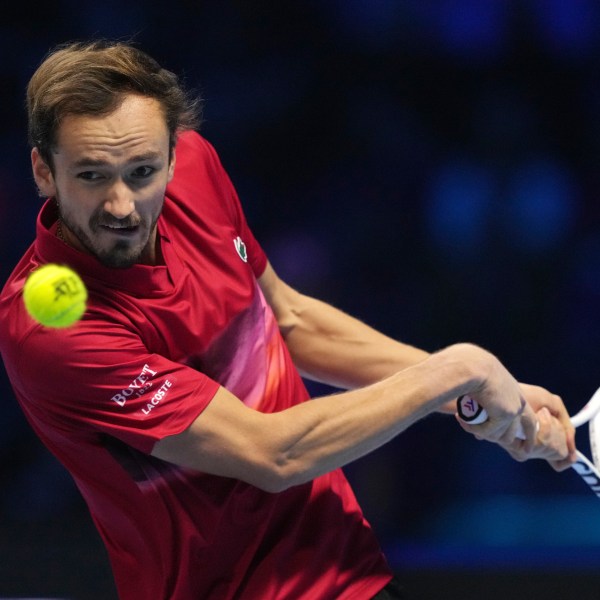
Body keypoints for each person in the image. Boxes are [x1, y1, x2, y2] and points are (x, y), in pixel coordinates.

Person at [0, 40, 576, 600]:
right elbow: (272, 454)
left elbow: (291, 320)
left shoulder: (197, 171)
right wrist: (457, 372)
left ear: (174, 155)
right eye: (92, 175)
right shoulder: (53, 332)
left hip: (344, 564)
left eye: (143, 171)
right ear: (44, 172)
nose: (122, 205)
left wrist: (485, 395)